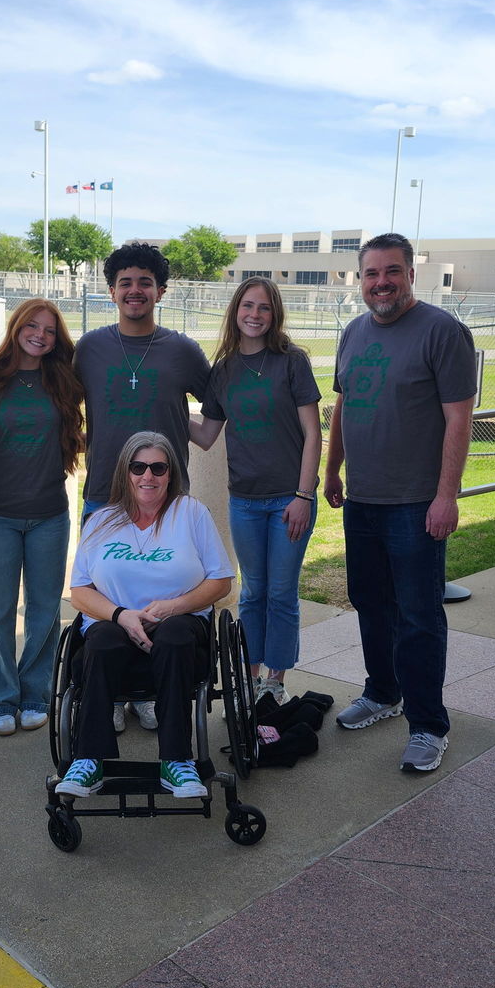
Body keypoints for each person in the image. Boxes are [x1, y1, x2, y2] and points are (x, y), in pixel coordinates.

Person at [324, 233, 476, 772]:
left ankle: (429, 724)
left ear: (411, 273)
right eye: (371, 274)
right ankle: (383, 693)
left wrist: (446, 496)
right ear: (359, 279)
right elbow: (343, 404)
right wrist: (332, 468)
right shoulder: (354, 331)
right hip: (363, 499)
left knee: (418, 616)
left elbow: (460, 417)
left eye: (392, 271)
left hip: (416, 504)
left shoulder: (442, 331)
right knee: (371, 602)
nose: (381, 282)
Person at [74, 242, 210, 732]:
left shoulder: (182, 349)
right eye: (126, 282)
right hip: (103, 497)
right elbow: (65, 403)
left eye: (145, 282)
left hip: (165, 498)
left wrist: (193, 430)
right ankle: (111, 692)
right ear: (112, 291)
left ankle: (151, 689)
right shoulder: (90, 347)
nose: (135, 291)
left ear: (160, 291)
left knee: (161, 592)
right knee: (107, 596)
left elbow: (215, 403)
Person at [55, 432, 233, 799]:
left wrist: (171, 607)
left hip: (180, 625)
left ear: (170, 473)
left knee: (174, 636)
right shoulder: (102, 520)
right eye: (138, 467)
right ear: (126, 472)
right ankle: (89, 759)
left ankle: (177, 761)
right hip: (114, 623)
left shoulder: (191, 513)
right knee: (100, 641)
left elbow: (221, 581)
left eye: (157, 467)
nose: (147, 476)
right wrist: (121, 615)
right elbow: (80, 593)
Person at [190, 276, 322, 705]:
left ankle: (275, 680)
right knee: (252, 592)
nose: (254, 315)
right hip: (244, 501)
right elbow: (207, 434)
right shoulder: (224, 369)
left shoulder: (292, 362)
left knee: (281, 593)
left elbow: (312, 431)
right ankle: (249, 678)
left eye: (263, 308)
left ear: (274, 314)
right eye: (248, 306)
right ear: (235, 311)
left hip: (289, 500)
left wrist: (304, 495)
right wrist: (164, 406)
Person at [0, 299, 84, 736]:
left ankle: (35, 692)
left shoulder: (63, 381)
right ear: (17, 327)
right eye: (32, 326)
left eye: (50, 330)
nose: (40, 334)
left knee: (43, 611)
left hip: (49, 515)